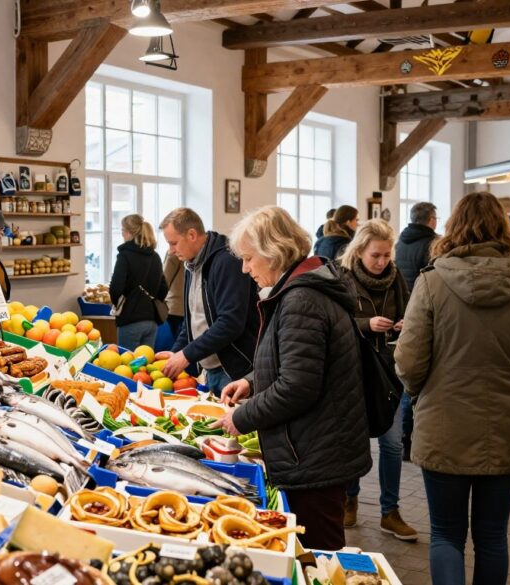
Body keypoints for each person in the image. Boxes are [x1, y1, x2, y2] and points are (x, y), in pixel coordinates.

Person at [395, 192, 510, 585]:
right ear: (504, 228)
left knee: (446, 535)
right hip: (507, 425)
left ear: (452, 228)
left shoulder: (431, 284)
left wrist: (421, 394)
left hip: (444, 424)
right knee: (493, 536)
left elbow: (409, 362)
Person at [216, 206, 371, 550]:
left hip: (316, 454)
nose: (245, 269)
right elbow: (298, 360)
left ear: (273, 252)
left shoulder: (301, 298)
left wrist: (242, 416)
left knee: (318, 553)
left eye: (248, 258)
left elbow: (299, 386)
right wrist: (253, 382)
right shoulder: (300, 289)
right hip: (316, 447)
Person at [337, 219, 417, 540]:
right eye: (375, 256)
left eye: (386, 255)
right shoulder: (342, 279)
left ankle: (390, 511)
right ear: (359, 251)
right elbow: (335, 323)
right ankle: (350, 499)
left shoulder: (398, 280)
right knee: (355, 440)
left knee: (392, 443)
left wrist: (403, 324)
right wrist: (367, 324)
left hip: (389, 372)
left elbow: (412, 313)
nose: (382, 262)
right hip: (354, 370)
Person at [159, 208, 259, 393]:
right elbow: (192, 322)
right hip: (211, 369)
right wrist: (177, 351)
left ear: (191, 235)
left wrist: (187, 355)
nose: (171, 251)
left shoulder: (227, 261)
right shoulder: (191, 264)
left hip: (234, 371)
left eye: (173, 243)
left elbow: (230, 322)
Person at [394, 202, 438, 462]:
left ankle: (402, 435)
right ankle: (410, 438)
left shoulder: (401, 242)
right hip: (425, 311)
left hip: (406, 311)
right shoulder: (432, 244)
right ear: (431, 220)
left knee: (408, 375)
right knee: (418, 381)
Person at [109, 214, 168, 350]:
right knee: (145, 365)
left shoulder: (124, 256)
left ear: (129, 233)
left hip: (130, 320)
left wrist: (118, 304)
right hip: (151, 320)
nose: (122, 234)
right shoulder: (155, 256)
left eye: (123, 230)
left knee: (127, 364)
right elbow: (163, 288)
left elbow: (116, 287)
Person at [162, 251, 186, 341]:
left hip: (174, 308)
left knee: (173, 345)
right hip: (190, 308)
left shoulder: (173, 253)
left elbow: (164, 280)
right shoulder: (196, 251)